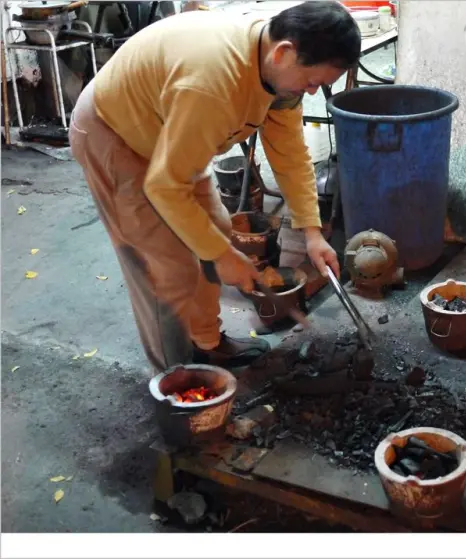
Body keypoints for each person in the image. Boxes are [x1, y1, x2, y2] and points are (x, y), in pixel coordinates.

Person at [68, 2, 361, 372]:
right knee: (166, 268)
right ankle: (179, 386)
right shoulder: (213, 83)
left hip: (170, 132)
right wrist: (221, 256)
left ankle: (206, 343)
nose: (314, 91)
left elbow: (290, 154)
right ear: (284, 52)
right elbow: (165, 186)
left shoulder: (276, 68)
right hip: (116, 135)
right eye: (313, 82)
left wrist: (312, 231)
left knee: (216, 230)